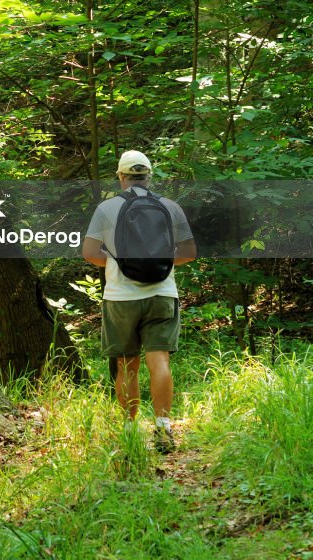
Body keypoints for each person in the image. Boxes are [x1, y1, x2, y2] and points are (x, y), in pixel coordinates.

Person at [82, 150, 196, 453]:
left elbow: (91, 253)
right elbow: (188, 253)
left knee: (126, 366)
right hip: (162, 293)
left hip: (120, 298)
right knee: (159, 361)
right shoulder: (170, 207)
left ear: (121, 177)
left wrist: (120, 262)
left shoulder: (107, 209)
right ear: (149, 175)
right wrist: (156, 261)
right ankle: (163, 429)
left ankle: (130, 431)